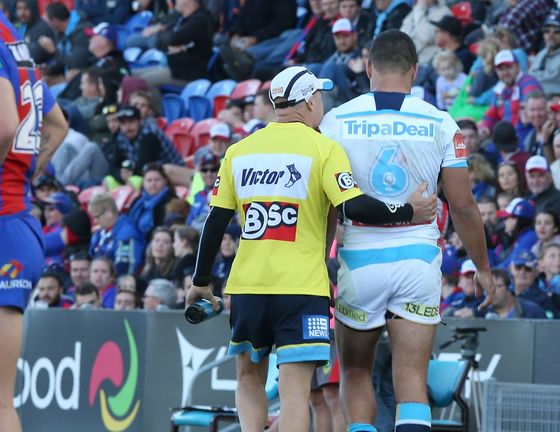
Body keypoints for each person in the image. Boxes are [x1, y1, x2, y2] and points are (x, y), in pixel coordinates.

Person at [187, 64, 438, 432]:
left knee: (249, 378)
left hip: (249, 286)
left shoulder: (239, 151)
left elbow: (215, 221)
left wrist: (201, 279)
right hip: (302, 288)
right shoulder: (323, 148)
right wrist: (407, 209)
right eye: (318, 97)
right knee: (294, 391)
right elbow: (354, 206)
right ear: (308, 101)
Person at [318, 31, 494, 432]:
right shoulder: (441, 122)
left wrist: (319, 257)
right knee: (412, 381)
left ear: (368, 67)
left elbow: (325, 200)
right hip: (417, 257)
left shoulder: (335, 120)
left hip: (358, 257)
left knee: (357, 372)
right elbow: (463, 206)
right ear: (415, 70)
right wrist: (482, 267)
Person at [0, 2, 69, 429]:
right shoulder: (8, 36)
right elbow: (55, 125)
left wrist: (11, 179)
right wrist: (22, 175)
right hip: (6, 221)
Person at [480, 49, 542, 134]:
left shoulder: (528, 82)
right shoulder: (499, 90)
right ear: (497, 72)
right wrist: (484, 127)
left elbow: (531, 101)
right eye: (501, 69)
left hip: (527, 132)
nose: (505, 72)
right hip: (505, 137)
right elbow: (492, 114)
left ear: (518, 67)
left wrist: (526, 108)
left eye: (509, 67)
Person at [88, 193, 146, 275]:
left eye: (97, 217)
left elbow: (126, 268)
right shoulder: (100, 233)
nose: (95, 221)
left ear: (109, 212)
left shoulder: (127, 234)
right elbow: (91, 255)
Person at [524, 155, 560, 232]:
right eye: (532, 176)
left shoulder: (559, 201)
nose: (536, 181)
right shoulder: (528, 198)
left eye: (540, 176)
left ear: (550, 177)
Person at [482, 267, 546, 319]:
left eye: (495, 287)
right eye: (487, 288)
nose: (490, 292)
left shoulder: (532, 312)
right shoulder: (482, 314)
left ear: (510, 288)